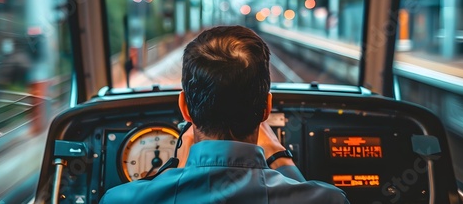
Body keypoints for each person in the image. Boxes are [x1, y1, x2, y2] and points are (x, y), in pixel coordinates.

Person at [100, 25, 349, 203]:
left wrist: (174, 168)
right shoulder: (329, 199)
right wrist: (281, 158)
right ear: (266, 108)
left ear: (185, 107)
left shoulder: (119, 199)